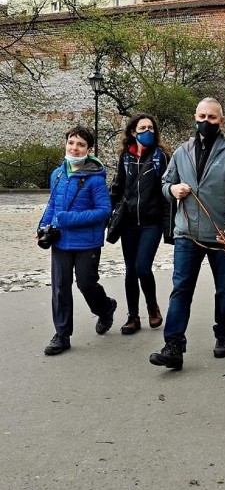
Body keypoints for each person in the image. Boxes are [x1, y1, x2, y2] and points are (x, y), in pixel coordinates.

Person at [149, 97, 225, 370]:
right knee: (181, 289)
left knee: (224, 290)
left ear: (221, 122)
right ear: (195, 117)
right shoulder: (182, 152)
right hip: (187, 234)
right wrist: (172, 190)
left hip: (220, 236)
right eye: (202, 117)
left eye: (212, 118)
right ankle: (173, 345)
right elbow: (165, 183)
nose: (205, 122)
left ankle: (223, 335)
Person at [37, 125, 117, 356]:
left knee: (86, 284)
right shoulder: (58, 174)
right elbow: (53, 205)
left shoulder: (95, 178)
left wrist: (69, 219)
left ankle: (105, 308)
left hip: (87, 242)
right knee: (61, 287)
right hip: (61, 241)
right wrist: (42, 226)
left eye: (80, 144)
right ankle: (62, 335)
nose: (74, 148)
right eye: (71, 143)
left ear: (89, 149)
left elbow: (104, 211)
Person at [110, 114, 171, 335]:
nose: (147, 131)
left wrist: (168, 227)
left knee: (142, 267)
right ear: (133, 132)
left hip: (151, 222)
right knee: (130, 270)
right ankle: (133, 317)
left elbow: (166, 192)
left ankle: (152, 307)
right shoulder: (125, 158)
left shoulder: (160, 157)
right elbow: (118, 188)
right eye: (142, 128)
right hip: (128, 222)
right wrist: (111, 215)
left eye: (151, 128)